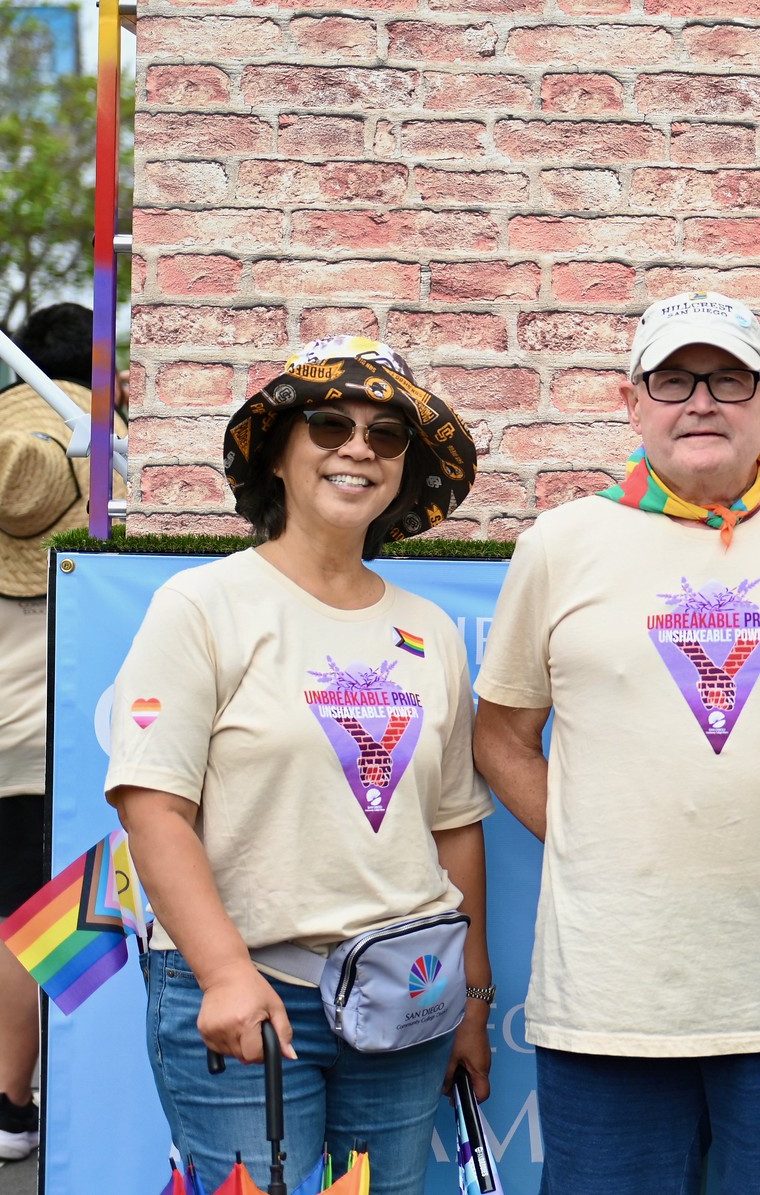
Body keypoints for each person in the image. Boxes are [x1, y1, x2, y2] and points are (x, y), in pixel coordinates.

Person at [472, 293, 760, 1195]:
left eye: (729, 378)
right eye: (674, 378)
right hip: (611, 1008)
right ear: (631, 401)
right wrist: (592, 835)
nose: (701, 401)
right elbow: (498, 736)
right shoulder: (560, 544)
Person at [103, 335, 492, 1194]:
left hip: (405, 998)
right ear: (277, 452)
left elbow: (455, 827)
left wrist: (471, 1002)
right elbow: (152, 808)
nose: (358, 446)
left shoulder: (429, 630)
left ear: (405, 469)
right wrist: (225, 974)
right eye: (328, 423)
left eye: (386, 434)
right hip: (254, 993)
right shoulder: (201, 606)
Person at [0, 303, 126, 1160]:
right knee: (40, 918)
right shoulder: (100, 442)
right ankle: (15, 1100)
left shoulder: (13, 447)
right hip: (52, 735)